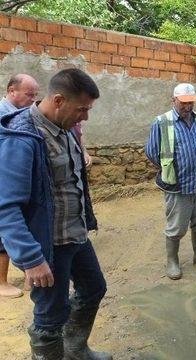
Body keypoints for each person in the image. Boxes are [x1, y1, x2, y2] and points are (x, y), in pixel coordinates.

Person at [0, 68, 110, 359]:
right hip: (49, 246)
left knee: (94, 288)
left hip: (75, 233)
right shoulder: (22, 136)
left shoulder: (65, 128)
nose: (85, 116)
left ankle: (75, 349)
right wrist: (32, 259)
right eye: (82, 109)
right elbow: (6, 207)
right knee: (50, 317)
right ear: (59, 100)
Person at [146, 83, 196, 280]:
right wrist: (170, 167)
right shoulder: (162, 122)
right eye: (184, 103)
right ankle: (172, 261)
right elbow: (152, 152)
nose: (188, 107)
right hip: (177, 185)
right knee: (176, 226)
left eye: (191, 102)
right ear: (174, 100)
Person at [0, 73, 40, 299]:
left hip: (17, 179)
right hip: (4, 180)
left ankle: (29, 275)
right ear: (12, 90)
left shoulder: (24, 114)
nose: (33, 100)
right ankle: (1, 282)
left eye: (36, 95)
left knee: (25, 224)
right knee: (4, 230)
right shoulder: (3, 116)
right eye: (29, 95)